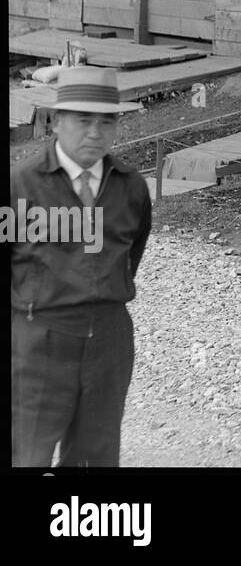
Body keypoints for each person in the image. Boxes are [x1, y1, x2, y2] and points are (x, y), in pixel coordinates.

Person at [10, 66, 151, 466]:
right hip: (39, 340)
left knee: (96, 455)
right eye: (84, 120)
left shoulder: (131, 187)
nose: (95, 132)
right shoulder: (20, 186)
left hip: (109, 339)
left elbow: (132, 252)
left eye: (107, 121)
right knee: (28, 452)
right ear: (57, 122)